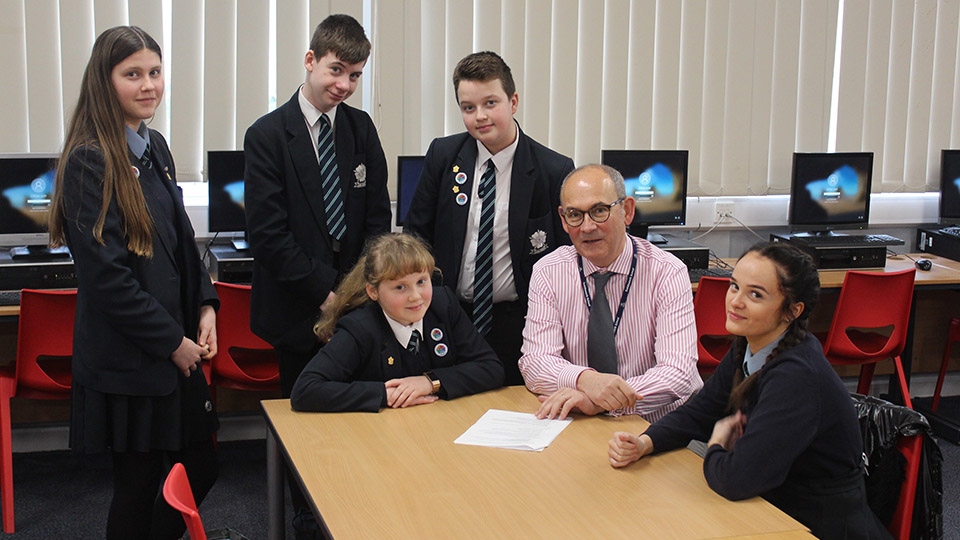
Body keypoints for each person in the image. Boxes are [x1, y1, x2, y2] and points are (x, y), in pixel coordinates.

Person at [48, 26, 219, 540]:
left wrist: (206, 304)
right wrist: (172, 342)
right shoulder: (88, 160)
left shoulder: (155, 147)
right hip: (134, 360)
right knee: (139, 484)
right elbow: (108, 280)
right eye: (133, 75)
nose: (149, 85)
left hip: (175, 349)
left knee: (199, 467)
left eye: (155, 72)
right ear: (105, 81)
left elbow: (183, 242)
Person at [608, 242, 891, 539]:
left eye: (755, 294)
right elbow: (700, 412)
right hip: (773, 503)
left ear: (792, 311)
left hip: (815, 524)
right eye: (734, 286)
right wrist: (645, 443)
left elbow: (737, 480)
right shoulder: (748, 345)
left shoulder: (796, 377)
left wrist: (716, 445)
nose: (735, 301)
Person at [243, 14, 389, 536]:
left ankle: (357, 511)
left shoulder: (360, 128)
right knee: (304, 423)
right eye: (335, 70)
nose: (344, 85)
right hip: (297, 310)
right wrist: (328, 293)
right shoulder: (266, 135)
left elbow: (376, 221)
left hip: (358, 307)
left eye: (355, 75)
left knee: (357, 417)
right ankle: (305, 518)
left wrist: (357, 291)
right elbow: (269, 236)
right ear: (310, 61)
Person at [404, 51, 575, 387]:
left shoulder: (552, 170)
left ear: (513, 102)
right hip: (448, 316)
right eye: (468, 108)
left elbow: (564, 257)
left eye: (490, 103)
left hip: (517, 322)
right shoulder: (443, 155)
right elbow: (416, 235)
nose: (480, 116)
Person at [519, 164, 702, 423]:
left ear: (627, 211)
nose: (587, 226)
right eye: (574, 215)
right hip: (581, 423)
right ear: (562, 219)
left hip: (656, 425)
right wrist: (586, 380)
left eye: (600, 211)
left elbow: (678, 373)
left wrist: (602, 401)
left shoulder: (667, 272)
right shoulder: (548, 272)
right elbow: (535, 363)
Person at [290, 233, 504, 411]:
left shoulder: (443, 305)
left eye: (421, 282)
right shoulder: (359, 327)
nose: (416, 296)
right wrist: (385, 394)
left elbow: (491, 368)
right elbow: (306, 390)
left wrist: (430, 382)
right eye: (400, 287)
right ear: (373, 292)